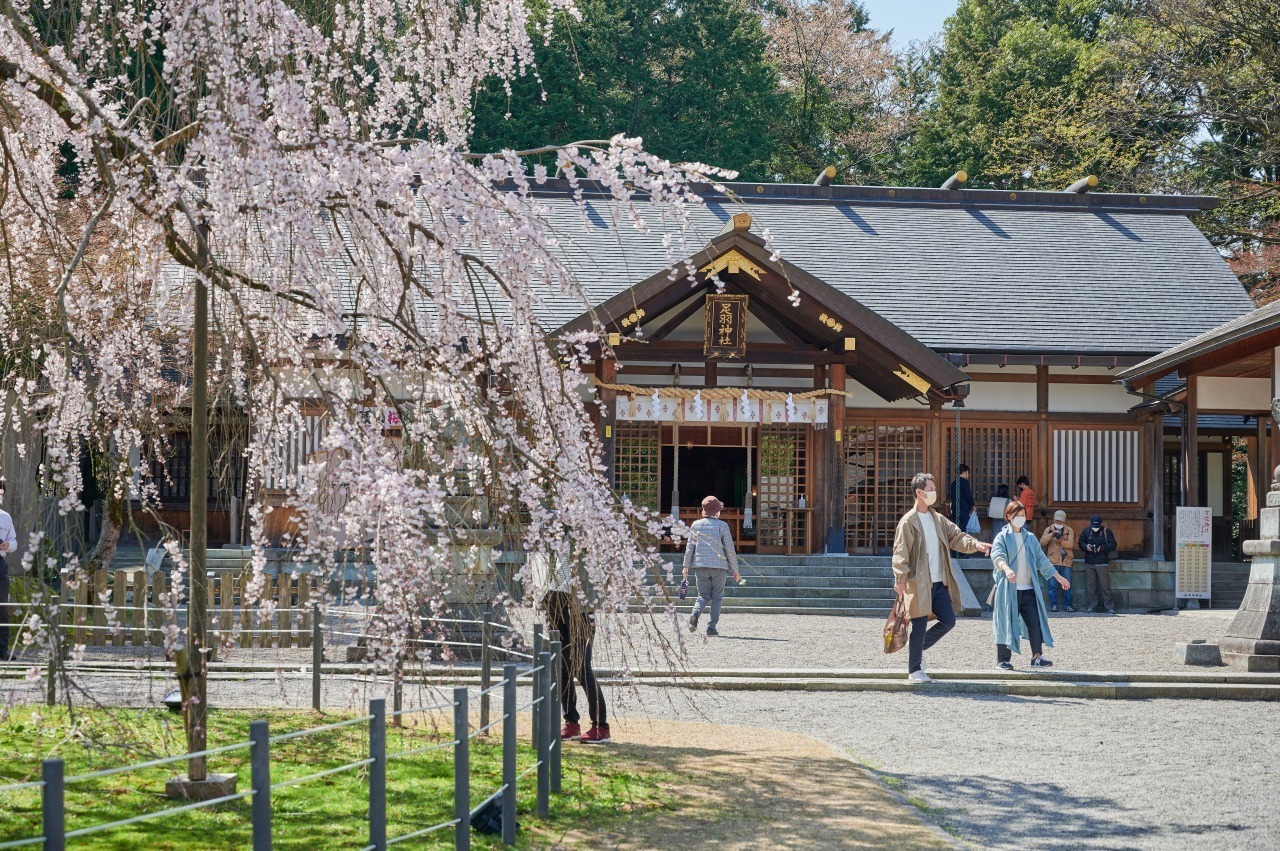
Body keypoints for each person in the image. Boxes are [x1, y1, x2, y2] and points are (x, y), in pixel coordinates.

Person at [891, 473, 992, 683]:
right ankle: (914, 670)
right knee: (919, 624)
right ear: (919, 492)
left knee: (948, 620)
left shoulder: (938, 519)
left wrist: (975, 544)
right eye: (930, 489)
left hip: (938, 581)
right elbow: (900, 552)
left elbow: (957, 536)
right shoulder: (908, 521)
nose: (934, 493)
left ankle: (917, 647)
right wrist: (900, 579)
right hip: (917, 582)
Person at [539, 551, 610, 744]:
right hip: (554, 598)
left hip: (581, 604)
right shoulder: (555, 527)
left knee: (581, 666)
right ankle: (571, 722)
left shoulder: (587, 528)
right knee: (562, 666)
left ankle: (600, 726)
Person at [990, 500, 1070, 669]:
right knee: (1006, 622)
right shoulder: (1002, 537)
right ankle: (1003, 660)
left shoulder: (1030, 538)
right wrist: (1006, 569)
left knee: (1035, 622)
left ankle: (1037, 657)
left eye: (1023, 515)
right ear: (1008, 516)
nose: (1020, 518)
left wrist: (1058, 577)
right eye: (1017, 515)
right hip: (1009, 589)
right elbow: (997, 556)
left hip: (1028, 589)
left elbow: (1042, 560)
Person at [683, 495, 741, 636]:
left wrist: (686, 566)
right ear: (716, 512)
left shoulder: (695, 525)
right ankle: (711, 627)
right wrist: (735, 570)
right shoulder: (722, 526)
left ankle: (695, 613)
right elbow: (729, 550)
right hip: (719, 567)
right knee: (717, 597)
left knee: (703, 595)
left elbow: (690, 547)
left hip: (700, 565)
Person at [1077, 514, 1117, 615]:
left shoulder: (1106, 531)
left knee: (1105, 586)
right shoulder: (1086, 531)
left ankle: (1110, 607)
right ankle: (1091, 606)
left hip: (1102, 562)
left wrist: (1102, 548)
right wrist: (1086, 547)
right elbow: (1080, 542)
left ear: (1101, 524)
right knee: (1090, 586)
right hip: (1089, 562)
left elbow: (1113, 544)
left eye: (1097, 526)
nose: (1095, 528)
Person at [1039, 510, 1076, 613]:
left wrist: (1062, 541)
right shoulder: (1049, 529)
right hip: (1053, 561)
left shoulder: (1069, 530)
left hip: (1066, 560)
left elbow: (1071, 544)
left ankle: (1068, 605)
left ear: (1064, 521)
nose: (1059, 523)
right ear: (1054, 519)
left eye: (1061, 521)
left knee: (1067, 584)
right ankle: (1054, 605)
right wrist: (1051, 535)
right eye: (1057, 521)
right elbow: (1042, 542)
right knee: (1052, 585)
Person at [0, 480, 16, 661]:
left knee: (2, 608)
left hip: (0, 563)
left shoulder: (5, 517)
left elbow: (14, 541)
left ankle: (2, 650)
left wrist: (7, 544)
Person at [949, 464, 976, 557]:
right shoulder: (965, 482)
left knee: (956, 531)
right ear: (965, 472)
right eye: (967, 472)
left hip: (955, 509)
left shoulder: (953, 483)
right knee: (963, 530)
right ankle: (962, 552)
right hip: (963, 510)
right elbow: (968, 495)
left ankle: (954, 552)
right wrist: (972, 505)